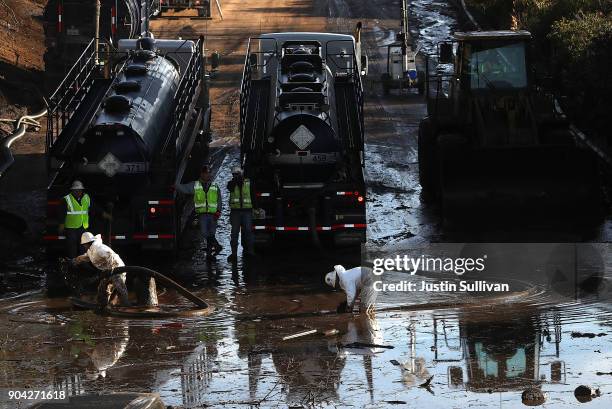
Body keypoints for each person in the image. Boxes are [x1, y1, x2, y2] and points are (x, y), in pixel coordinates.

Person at [72, 232, 130, 310]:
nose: (83, 246)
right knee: (102, 287)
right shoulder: (91, 250)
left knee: (119, 287)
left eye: (84, 244)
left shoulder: (99, 249)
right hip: (108, 271)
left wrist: (113, 270)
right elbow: (87, 257)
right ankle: (103, 305)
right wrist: (75, 260)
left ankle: (126, 306)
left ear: (88, 243)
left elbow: (111, 256)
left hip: (117, 268)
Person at [175, 165, 223, 258]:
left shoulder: (215, 186)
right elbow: (184, 188)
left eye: (209, 173)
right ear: (202, 174)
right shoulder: (195, 185)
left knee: (211, 233)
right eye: (206, 173)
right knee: (205, 233)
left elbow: (219, 200)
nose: (208, 175)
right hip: (202, 215)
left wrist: (218, 211)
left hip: (213, 214)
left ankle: (209, 254)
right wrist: (175, 186)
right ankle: (216, 246)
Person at [227, 166, 255, 262]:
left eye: (237, 174)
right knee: (234, 233)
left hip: (247, 210)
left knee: (248, 231)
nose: (235, 176)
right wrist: (235, 181)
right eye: (234, 174)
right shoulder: (231, 183)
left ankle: (250, 252)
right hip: (235, 211)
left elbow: (253, 194)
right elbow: (229, 188)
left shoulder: (248, 182)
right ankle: (234, 254)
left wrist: (255, 207)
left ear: (241, 174)